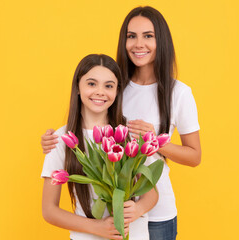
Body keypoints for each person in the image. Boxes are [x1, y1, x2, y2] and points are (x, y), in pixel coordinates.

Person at [41, 6, 201, 240]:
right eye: (131, 36)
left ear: (161, 40)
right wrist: (53, 141)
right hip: (104, 220)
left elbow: (194, 156)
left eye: (148, 36)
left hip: (153, 211)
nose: (139, 44)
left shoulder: (178, 93)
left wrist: (152, 142)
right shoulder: (114, 84)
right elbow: (84, 123)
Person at [41, 54, 158, 240]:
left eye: (109, 86)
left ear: (117, 91)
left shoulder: (130, 132)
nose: (100, 92)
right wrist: (97, 227)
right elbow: (49, 210)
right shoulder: (60, 139)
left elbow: (151, 194)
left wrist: (138, 209)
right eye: (91, 84)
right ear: (78, 87)